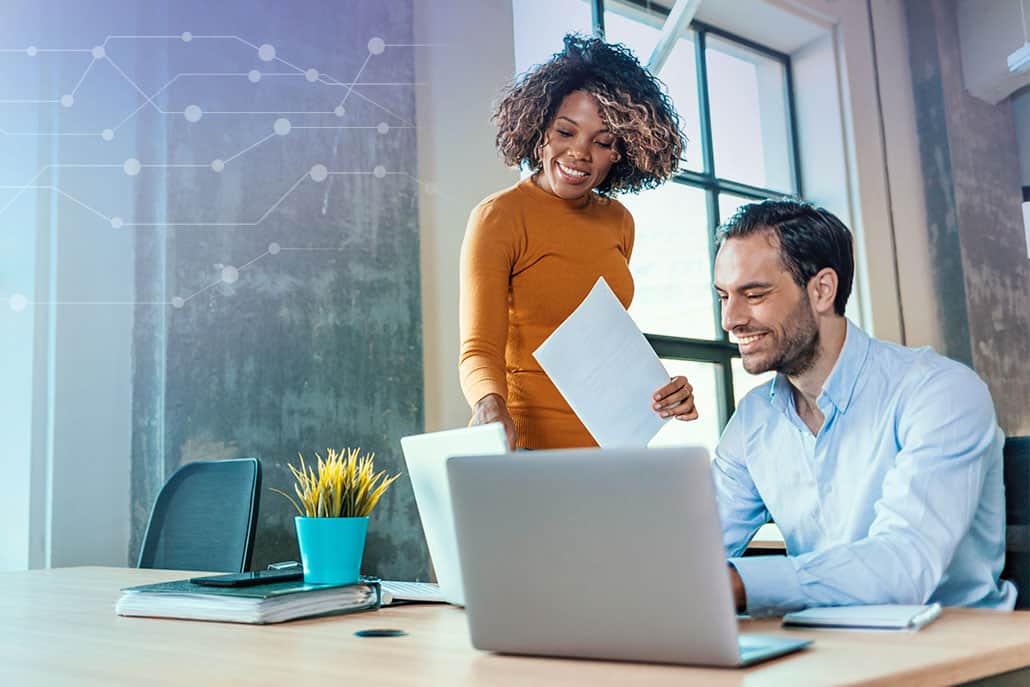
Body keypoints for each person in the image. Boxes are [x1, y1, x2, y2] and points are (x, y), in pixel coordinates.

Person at [712, 199, 1017, 615]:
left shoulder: (939, 392)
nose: (731, 319)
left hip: (963, 656)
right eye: (723, 296)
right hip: (831, 648)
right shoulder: (753, 420)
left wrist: (737, 584)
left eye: (754, 294)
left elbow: (904, 567)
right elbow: (697, 546)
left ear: (822, 289)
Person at [459, 34, 694, 450]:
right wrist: (489, 406)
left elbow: (604, 344)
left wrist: (665, 392)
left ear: (621, 151)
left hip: (612, 449)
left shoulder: (619, 222)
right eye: (565, 132)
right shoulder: (499, 217)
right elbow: (478, 348)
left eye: (602, 142)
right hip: (526, 446)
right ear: (538, 127)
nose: (579, 154)